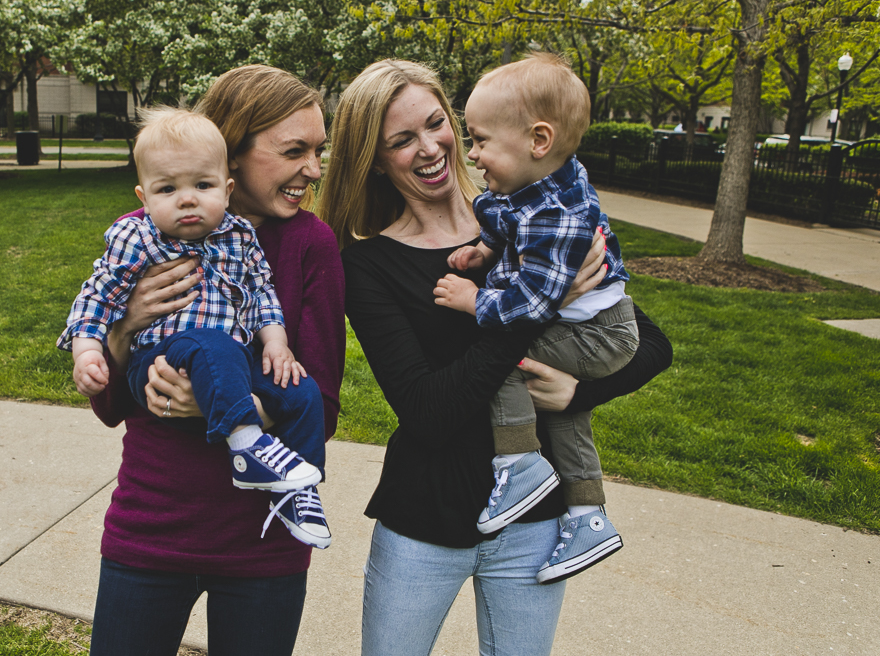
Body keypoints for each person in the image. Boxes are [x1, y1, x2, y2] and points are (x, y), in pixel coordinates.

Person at [317, 59, 672, 655]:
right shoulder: (367, 265)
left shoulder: (533, 216)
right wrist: (533, 306)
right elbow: (427, 412)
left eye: (436, 123)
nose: (430, 147)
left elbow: (650, 343)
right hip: (424, 521)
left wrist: (577, 391)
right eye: (402, 140)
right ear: (375, 159)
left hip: (536, 523)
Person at [84, 65, 345, 656]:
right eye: (294, 150)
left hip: (264, 541)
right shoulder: (148, 236)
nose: (313, 168)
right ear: (233, 148)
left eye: (318, 150)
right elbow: (109, 405)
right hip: (152, 526)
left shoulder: (310, 246)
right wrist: (125, 327)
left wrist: (222, 403)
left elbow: (321, 406)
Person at [58, 107, 328, 548]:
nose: (187, 199)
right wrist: (89, 350)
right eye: (168, 189)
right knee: (209, 343)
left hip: (232, 361)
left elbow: (261, 293)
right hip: (162, 356)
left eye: (202, 186)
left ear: (227, 187)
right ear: (144, 197)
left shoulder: (240, 235)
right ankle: (245, 445)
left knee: (303, 392)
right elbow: (96, 296)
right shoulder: (138, 237)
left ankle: (299, 490)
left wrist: (277, 343)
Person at [432, 53, 639, 583]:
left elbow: (528, 305)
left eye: (480, 141)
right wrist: (484, 248)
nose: (472, 154)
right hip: (590, 327)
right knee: (560, 403)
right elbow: (511, 226)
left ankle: (520, 464)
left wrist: (472, 298)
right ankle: (588, 513)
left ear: (538, 142)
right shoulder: (538, 185)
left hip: (600, 334)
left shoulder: (558, 218)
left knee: (503, 359)